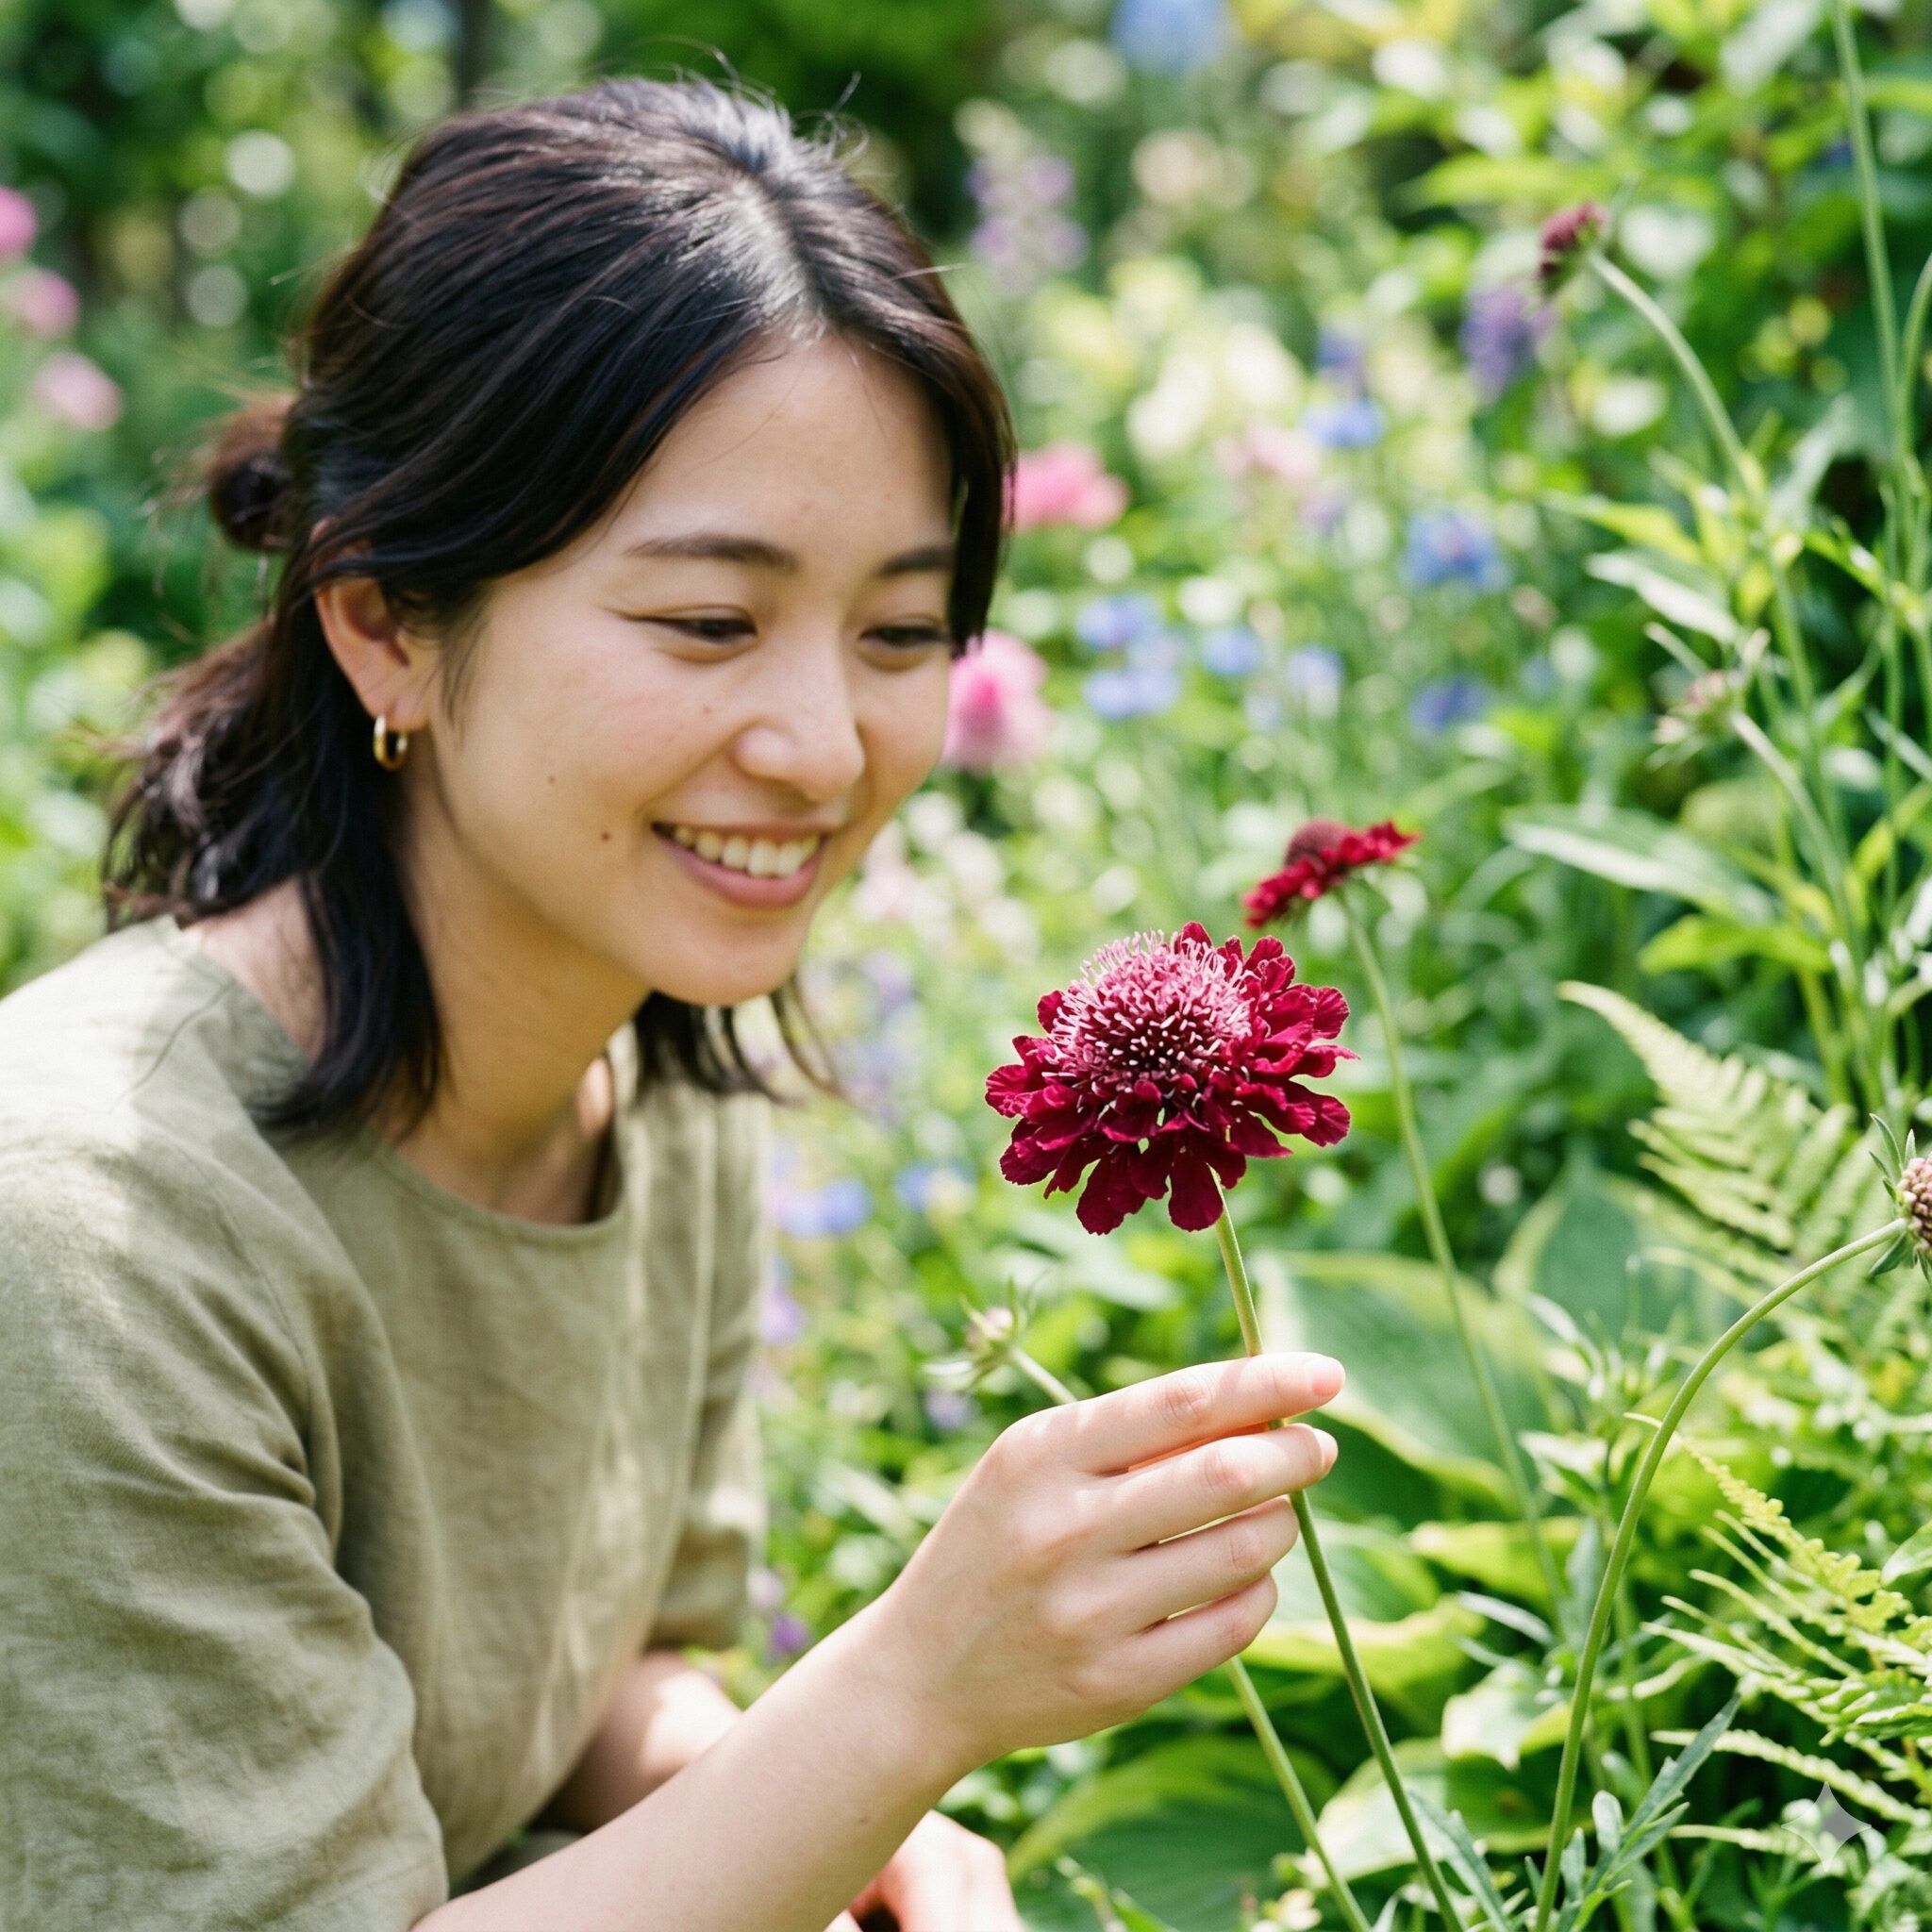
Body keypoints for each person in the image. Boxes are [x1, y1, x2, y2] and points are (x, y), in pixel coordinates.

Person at [0, 75, 1343, 1932]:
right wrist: (904, 1698)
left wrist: (848, 1820)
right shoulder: (88, 1234)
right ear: (384, 616)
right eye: (709, 623)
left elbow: (603, 1688)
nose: (819, 746)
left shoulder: (652, 1068)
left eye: (896, 631)